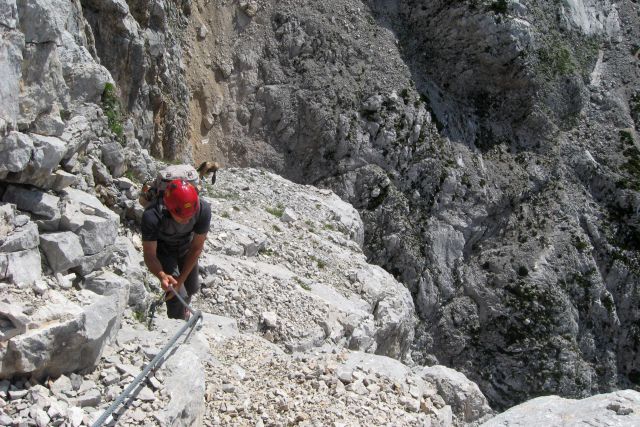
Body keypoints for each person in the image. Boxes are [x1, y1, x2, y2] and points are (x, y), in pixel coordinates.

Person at [141, 179, 211, 319]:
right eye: (181, 218)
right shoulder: (152, 215)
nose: (187, 221)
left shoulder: (203, 209)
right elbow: (149, 254)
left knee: (191, 287)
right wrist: (162, 275)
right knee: (177, 294)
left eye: (190, 216)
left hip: (186, 246)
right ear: (169, 208)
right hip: (164, 250)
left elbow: (196, 247)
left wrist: (182, 279)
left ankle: (184, 309)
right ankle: (176, 322)